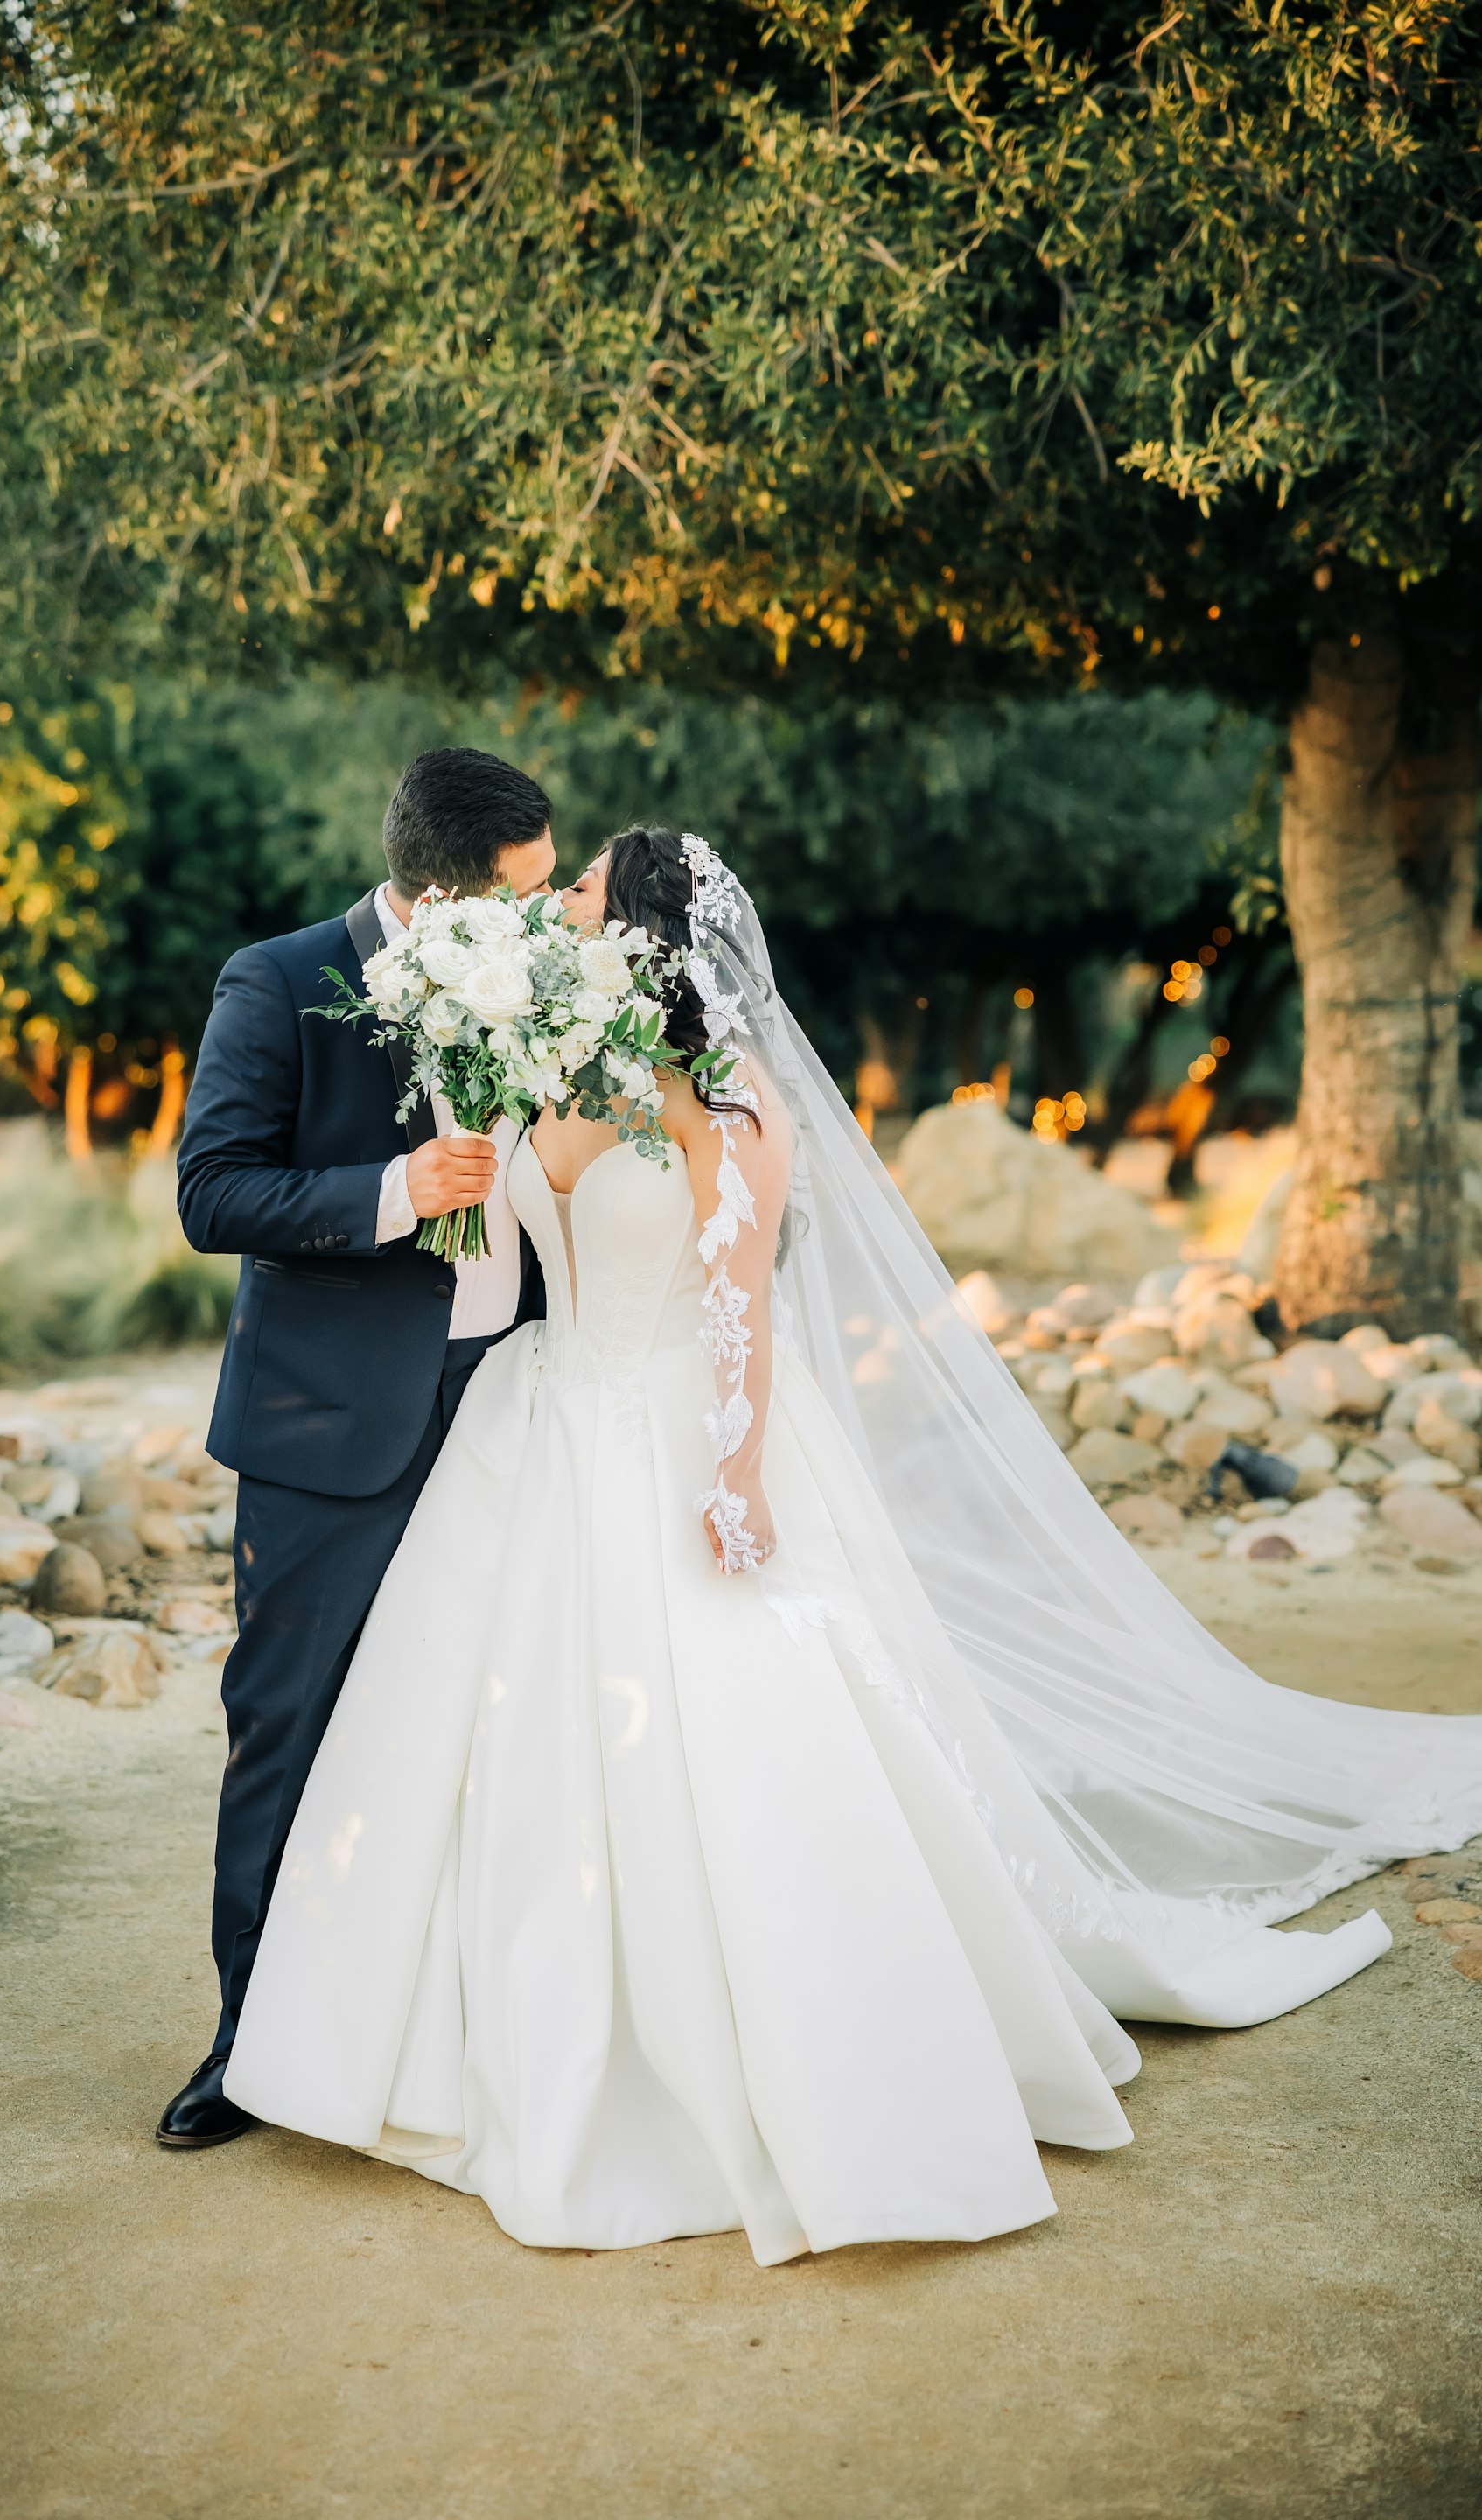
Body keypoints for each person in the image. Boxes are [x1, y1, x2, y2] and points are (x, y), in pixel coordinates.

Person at [221, 826, 1482, 2261]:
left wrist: (739, 1464)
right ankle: (450, 2040)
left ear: (639, 922)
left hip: (682, 1432)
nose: (550, 904)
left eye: (576, 888)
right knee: (491, 1744)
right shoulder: (549, 1062)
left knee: (745, 1745)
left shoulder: (731, 1096)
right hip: (538, 1435)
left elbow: (739, 1296)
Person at [156, 748, 554, 2149]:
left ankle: (450, 2031)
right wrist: (393, 1190)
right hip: (335, 1423)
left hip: (526, 1398)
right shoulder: (277, 980)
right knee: (292, 1722)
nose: (544, 916)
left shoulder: (548, 978)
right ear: (440, 897)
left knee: (496, 1722)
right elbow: (212, 1190)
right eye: (523, 894)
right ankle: (248, 2044)